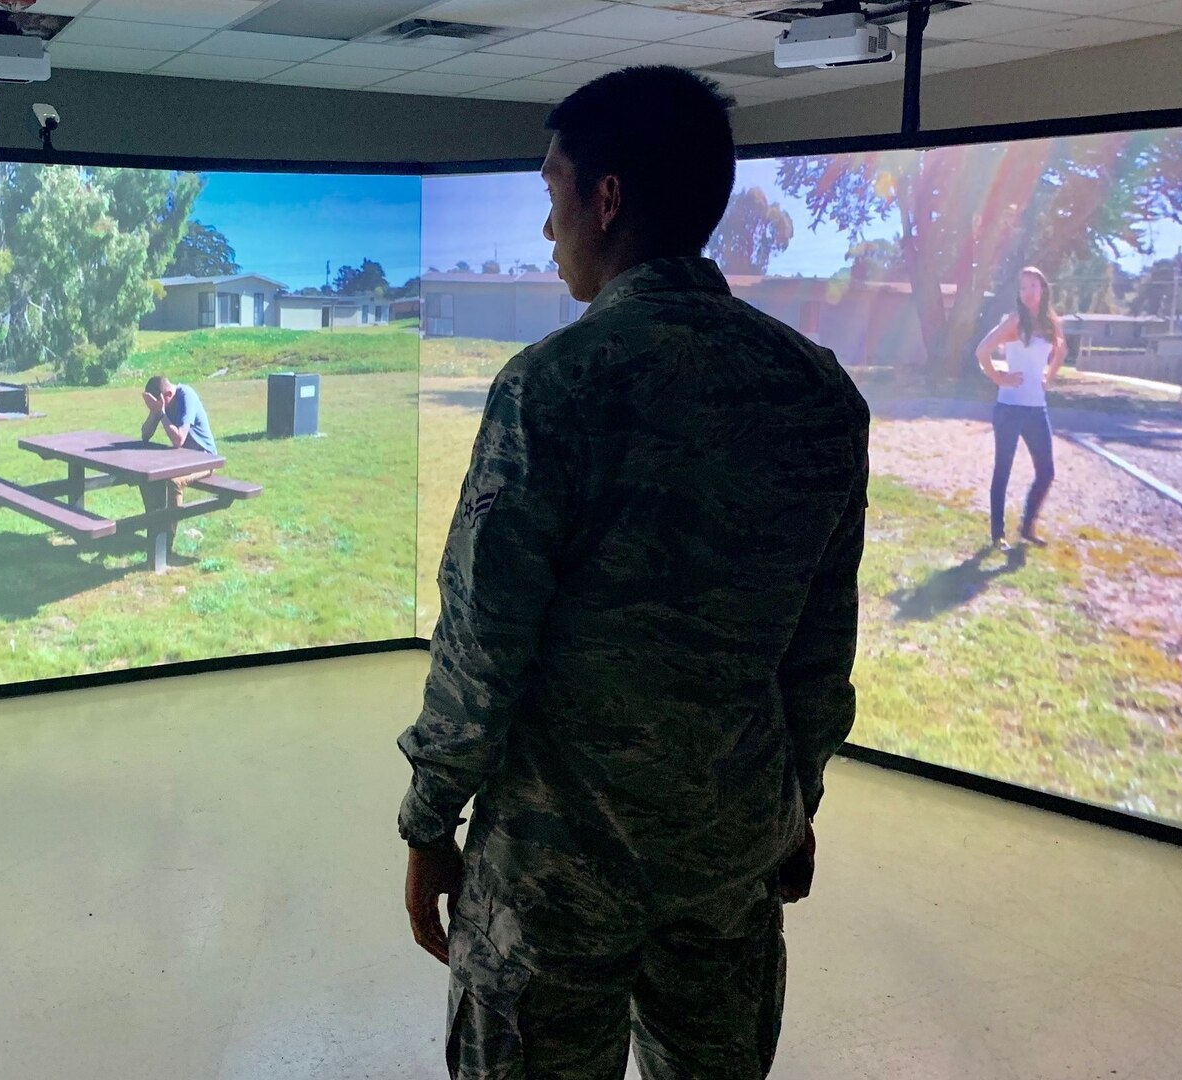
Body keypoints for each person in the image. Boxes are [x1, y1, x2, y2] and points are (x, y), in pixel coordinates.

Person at [396, 66, 869, 1080]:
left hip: (554, 867)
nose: (544, 226)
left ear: (604, 199)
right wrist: (794, 804)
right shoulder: (815, 391)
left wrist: (429, 818)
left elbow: (483, 644)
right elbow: (818, 652)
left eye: (550, 191)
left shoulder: (551, 389)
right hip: (729, 848)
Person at [974, 266, 1066, 550]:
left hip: (1037, 410)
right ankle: (997, 534)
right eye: (1023, 287)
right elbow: (982, 351)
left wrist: (1048, 377)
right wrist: (998, 377)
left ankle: (1027, 528)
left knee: (1047, 472)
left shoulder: (1051, 322)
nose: (1028, 292)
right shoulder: (1014, 321)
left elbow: (1061, 350)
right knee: (1003, 470)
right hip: (1010, 408)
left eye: (1033, 286)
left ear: (1043, 289)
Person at [139, 374, 217, 545]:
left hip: (204, 458)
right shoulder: (163, 404)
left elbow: (179, 439)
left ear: (167, 395)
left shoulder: (185, 397)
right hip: (183, 458)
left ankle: (167, 540)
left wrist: (161, 414)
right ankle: (154, 529)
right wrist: (154, 412)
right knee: (146, 477)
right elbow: (145, 435)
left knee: (174, 482)